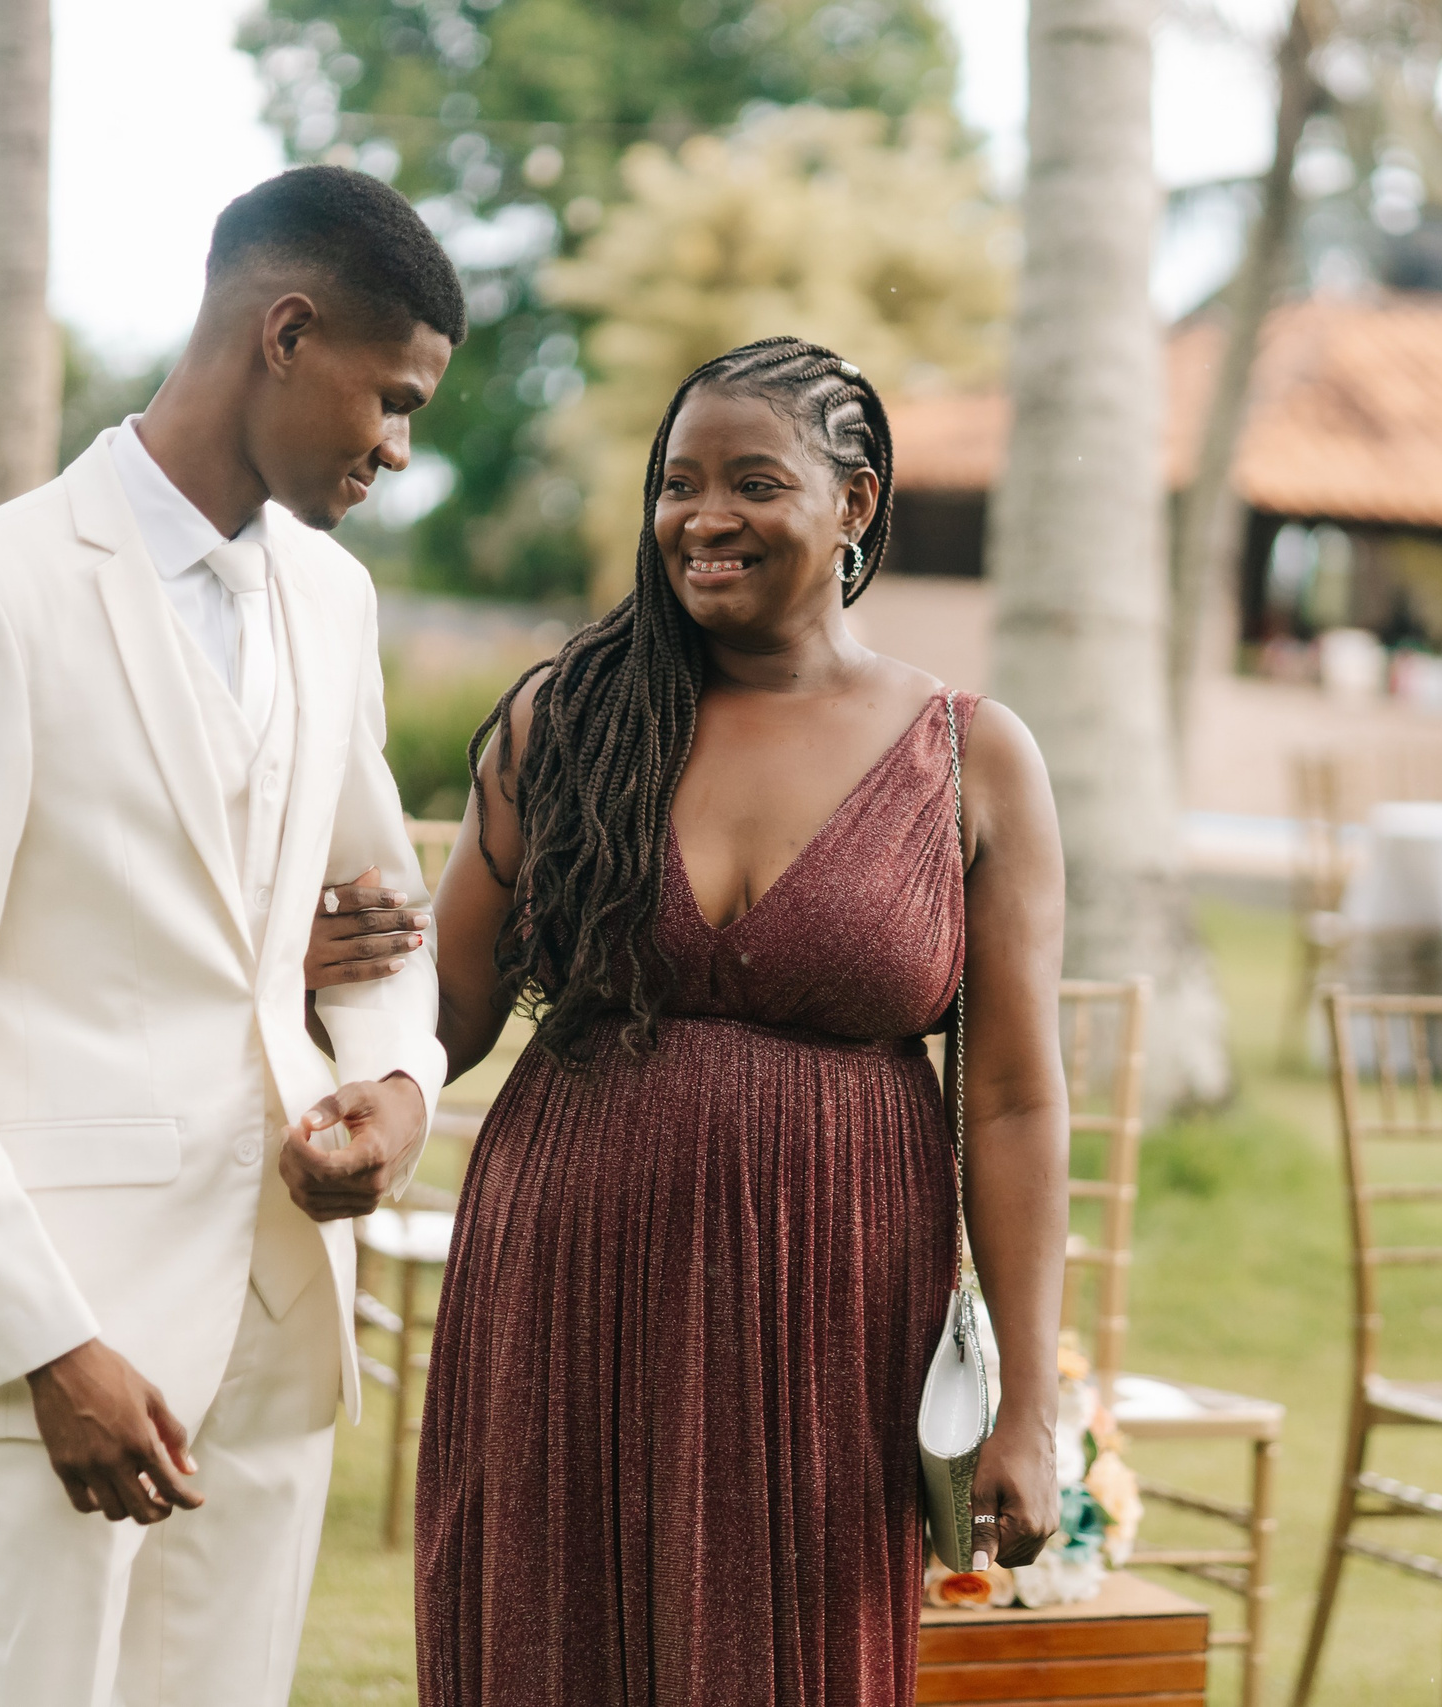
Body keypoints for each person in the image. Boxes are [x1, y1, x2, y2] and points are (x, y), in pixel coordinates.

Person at [319, 336, 1072, 1705]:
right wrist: (333, 985)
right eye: (677, 483)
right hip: (567, 1274)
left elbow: (1016, 1097)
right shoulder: (571, 721)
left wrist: (1030, 1396)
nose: (701, 516)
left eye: (751, 481)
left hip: (831, 1304)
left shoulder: (973, 755)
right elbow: (453, 1001)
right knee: (552, 1642)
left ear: (855, 502)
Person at [0, 166, 463, 1707]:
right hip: (71, 1321)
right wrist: (50, 1343)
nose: (394, 448)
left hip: (278, 1308)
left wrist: (391, 1093)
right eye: (391, 400)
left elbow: (375, 928)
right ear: (287, 330)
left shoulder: (334, 600)